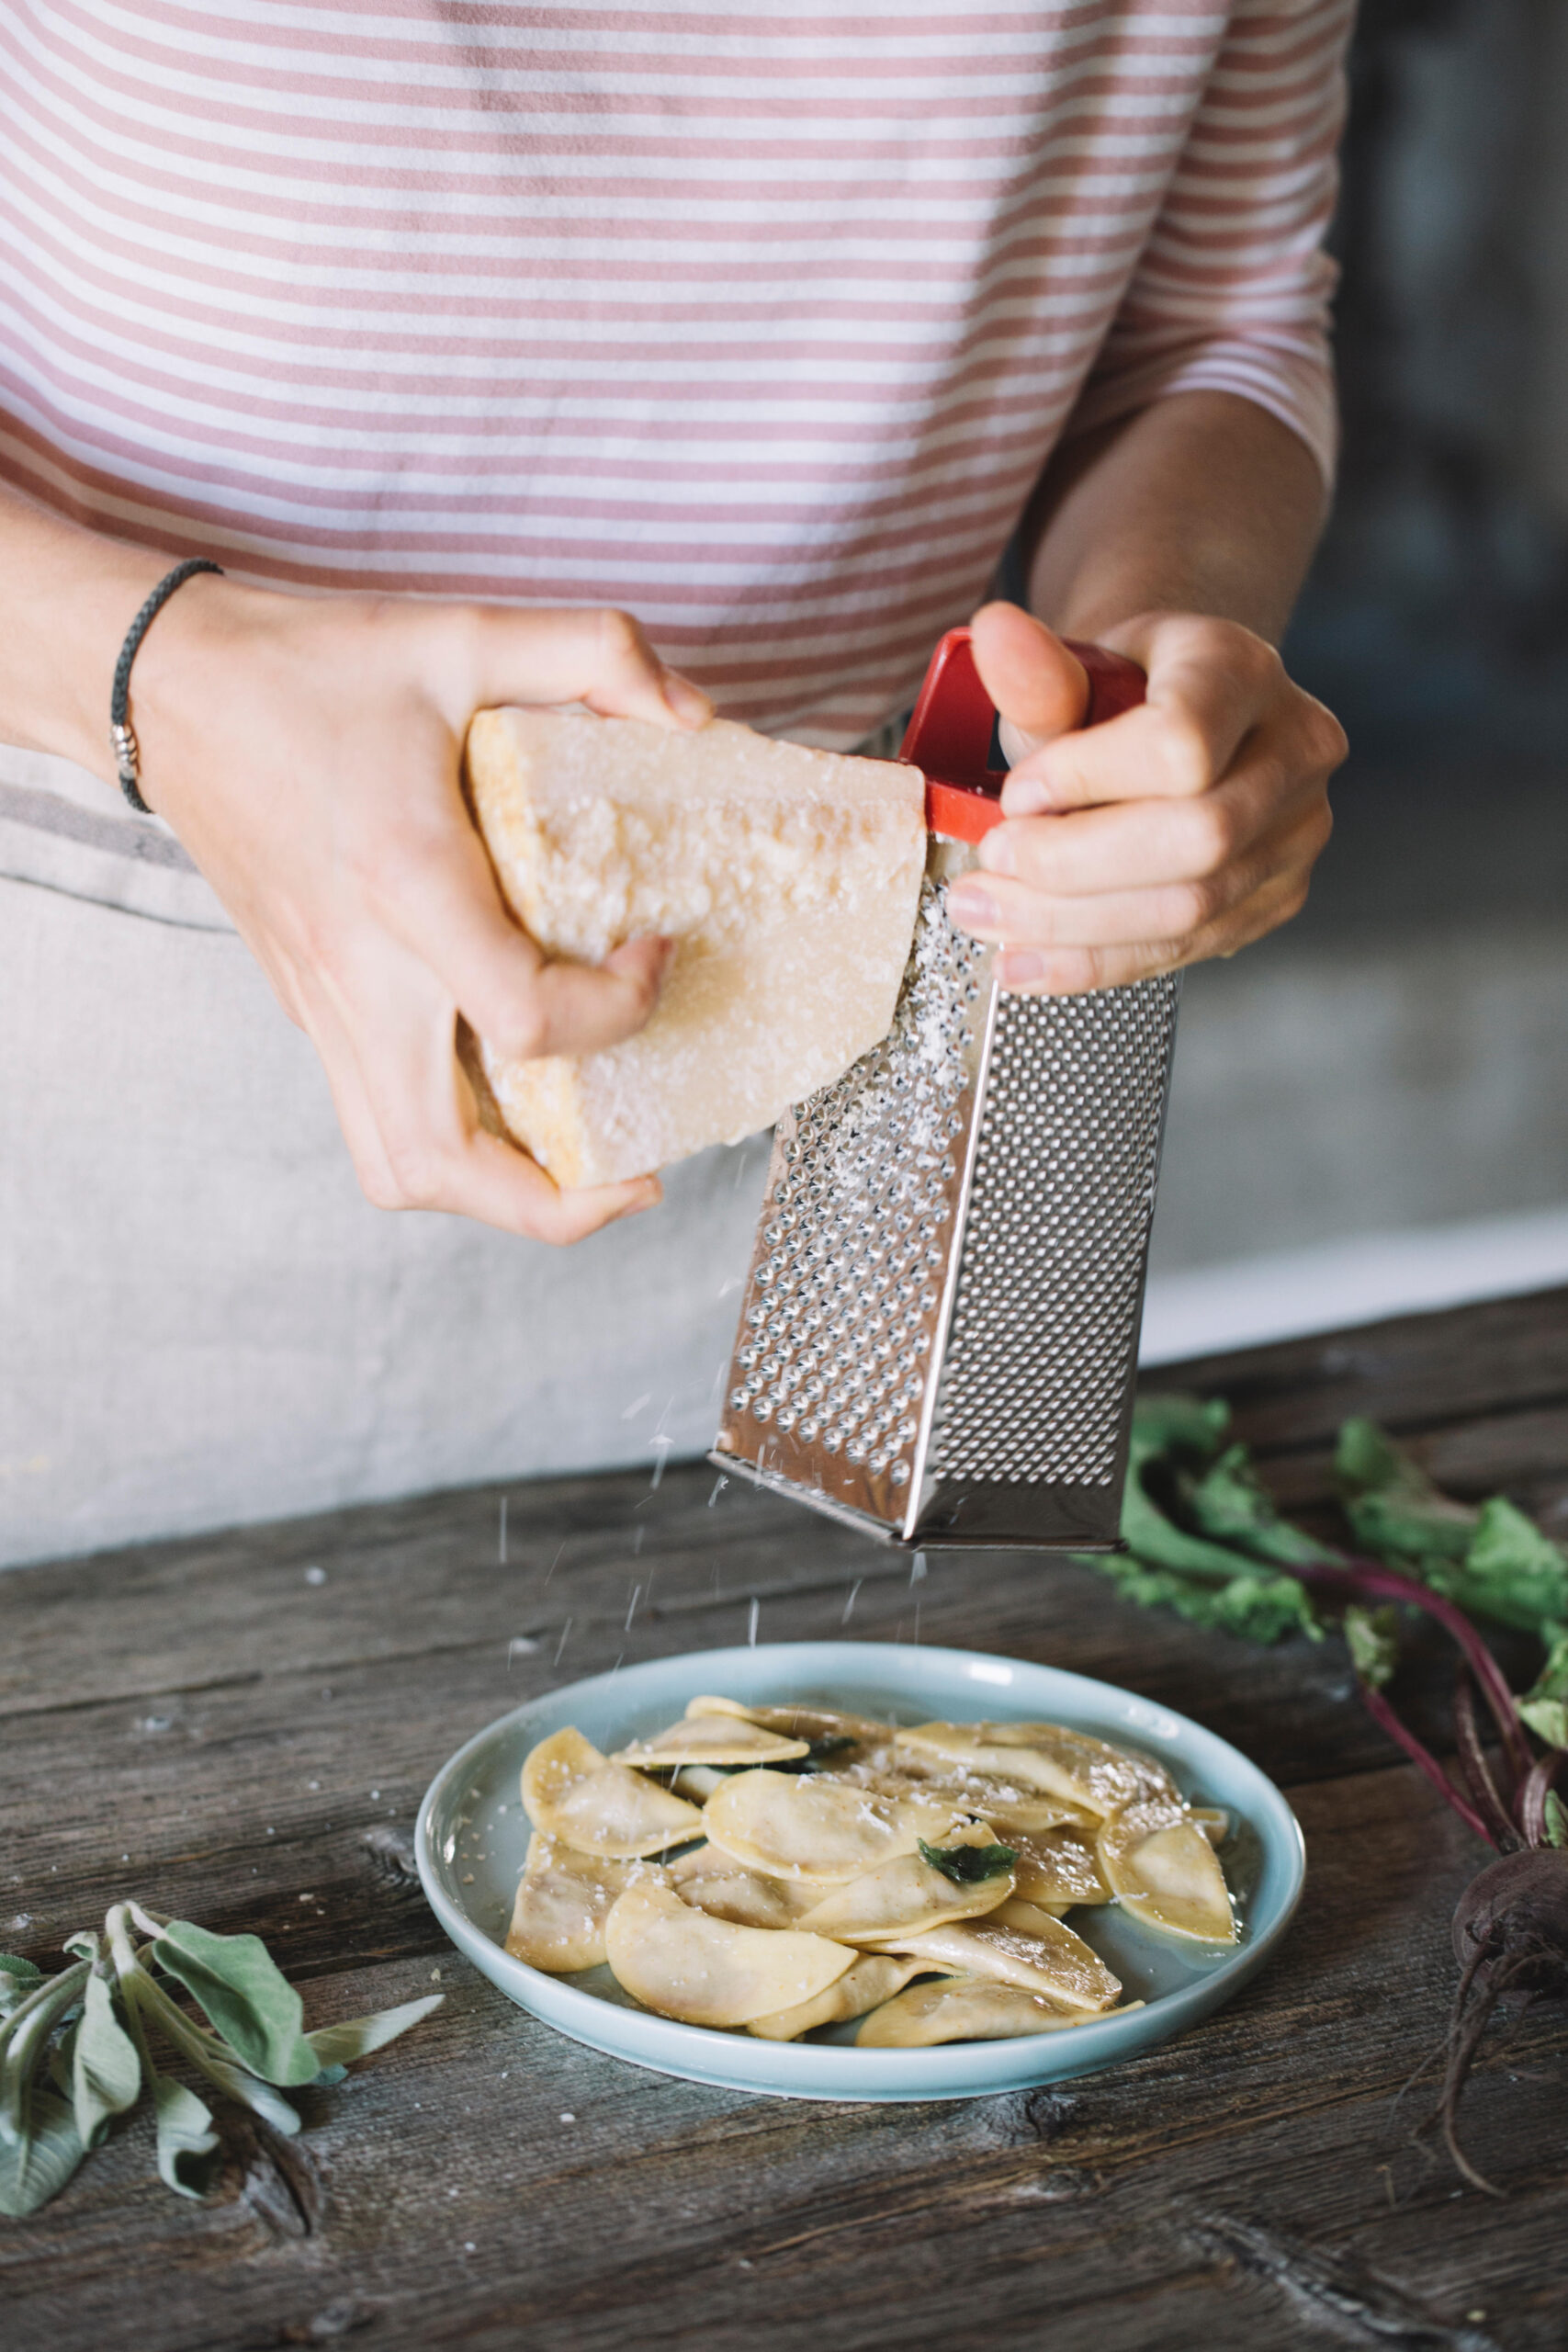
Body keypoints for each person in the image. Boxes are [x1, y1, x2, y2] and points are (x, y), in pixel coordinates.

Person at [0, 1, 1350, 1566]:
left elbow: (1209, 332)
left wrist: (1148, 649)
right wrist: (163, 675)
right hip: (86, 1043)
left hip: (783, 1071)